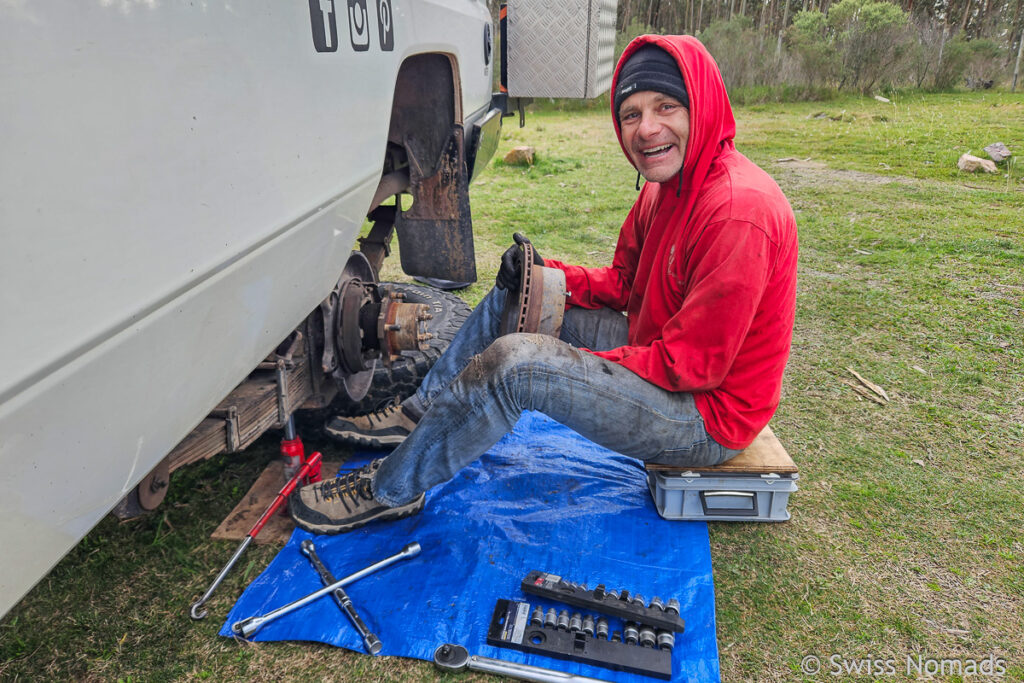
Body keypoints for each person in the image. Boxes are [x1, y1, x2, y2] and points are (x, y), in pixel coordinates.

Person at [288, 34, 798, 535]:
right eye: (631, 114)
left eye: (666, 107)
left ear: (700, 107)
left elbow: (692, 366)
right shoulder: (665, 188)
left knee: (518, 366)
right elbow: (623, 283)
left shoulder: (736, 214)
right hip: (661, 351)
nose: (646, 129)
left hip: (705, 416)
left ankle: (389, 491)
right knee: (516, 295)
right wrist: (544, 272)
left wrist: (569, 368)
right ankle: (420, 414)